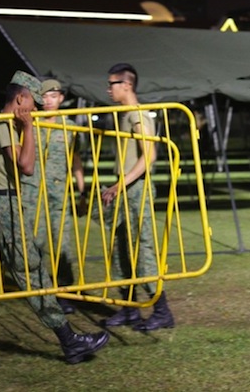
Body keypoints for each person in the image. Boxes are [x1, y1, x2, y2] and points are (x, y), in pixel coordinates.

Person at [0, 71, 109, 370]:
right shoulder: (4, 126)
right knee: (31, 271)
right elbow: (26, 166)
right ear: (21, 98)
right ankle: (69, 340)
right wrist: (29, 128)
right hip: (4, 206)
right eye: (33, 102)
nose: (35, 108)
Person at [100, 63, 175, 331]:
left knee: (142, 249)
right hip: (126, 188)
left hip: (136, 189)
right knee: (122, 249)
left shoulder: (138, 115)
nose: (108, 89)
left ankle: (162, 311)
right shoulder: (125, 114)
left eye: (112, 84)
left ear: (127, 85)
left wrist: (119, 185)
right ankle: (129, 308)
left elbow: (149, 156)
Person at [38, 79, 85, 314]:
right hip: (34, 195)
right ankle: (38, 290)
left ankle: (64, 291)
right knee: (34, 243)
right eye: (44, 96)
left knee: (61, 245)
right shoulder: (31, 124)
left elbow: (75, 160)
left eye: (53, 96)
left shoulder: (69, 127)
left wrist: (82, 190)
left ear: (61, 99)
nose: (48, 101)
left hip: (59, 196)